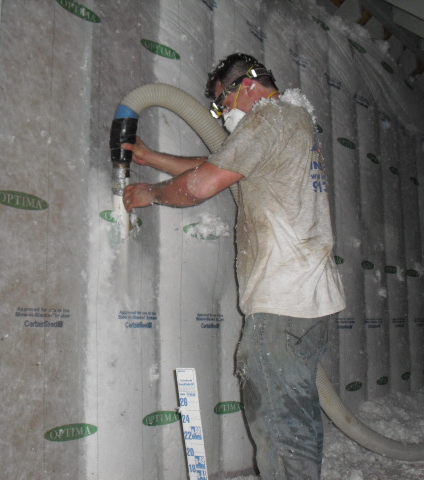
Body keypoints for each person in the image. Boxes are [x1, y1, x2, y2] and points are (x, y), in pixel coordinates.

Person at [122, 53, 345, 479]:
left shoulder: (269, 119)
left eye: (222, 103)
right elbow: (220, 163)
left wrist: (149, 194)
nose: (221, 115)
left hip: (282, 300)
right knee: (293, 419)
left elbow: (203, 183)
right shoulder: (291, 120)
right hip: (305, 298)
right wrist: (153, 158)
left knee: (279, 425)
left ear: (248, 84)